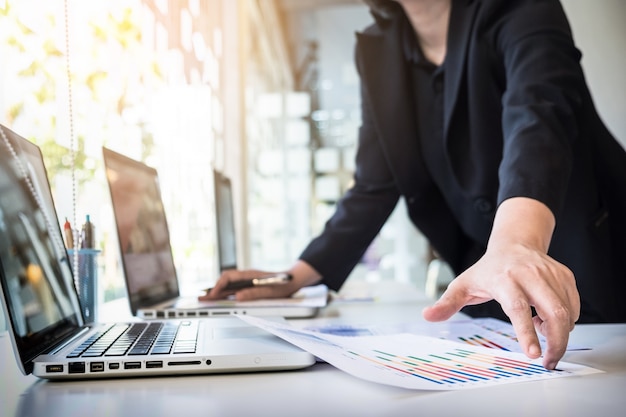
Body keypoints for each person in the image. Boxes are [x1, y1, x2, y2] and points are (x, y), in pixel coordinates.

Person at [202, 0, 626, 370]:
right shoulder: (378, 49)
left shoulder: (518, 8)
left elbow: (540, 121)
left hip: (590, 258)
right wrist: (296, 277)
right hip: (495, 287)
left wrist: (516, 244)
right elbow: (374, 183)